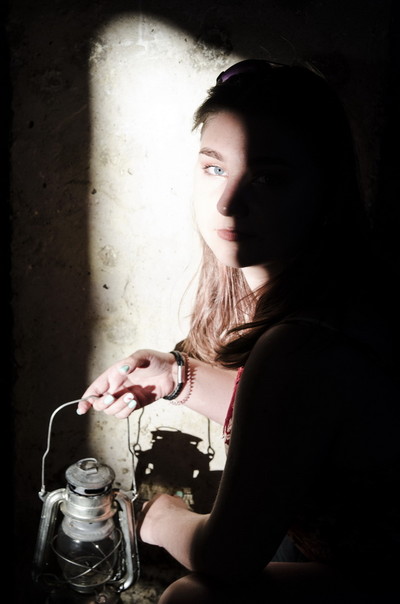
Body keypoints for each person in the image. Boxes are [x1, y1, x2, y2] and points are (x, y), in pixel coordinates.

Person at [78, 60, 400, 602]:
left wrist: (157, 514)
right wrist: (175, 377)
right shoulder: (329, 305)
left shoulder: (301, 345)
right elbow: (295, 421)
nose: (228, 201)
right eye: (214, 167)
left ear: (324, 189)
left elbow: (226, 556)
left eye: (268, 177)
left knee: (190, 598)